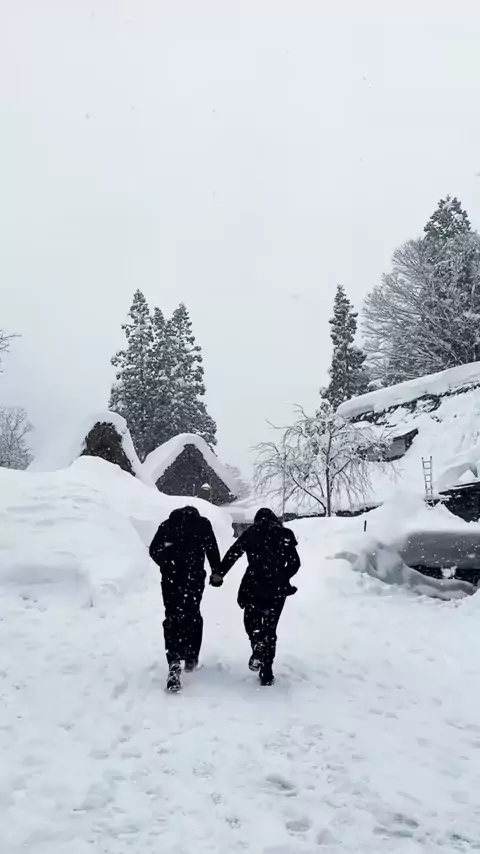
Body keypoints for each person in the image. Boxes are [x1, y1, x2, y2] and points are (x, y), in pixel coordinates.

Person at [210, 508, 300, 686]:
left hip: (253, 585)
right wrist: (282, 576)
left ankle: (257, 642)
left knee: (251, 621)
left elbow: (233, 554)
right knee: (270, 627)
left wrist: (219, 573)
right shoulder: (285, 534)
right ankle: (266, 670)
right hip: (276, 589)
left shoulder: (252, 532)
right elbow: (295, 563)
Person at [149, 506, 221, 692]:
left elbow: (153, 550)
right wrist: (216, 572)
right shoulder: (202, 524)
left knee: (172, 616)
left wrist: (167, 561)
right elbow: (212, 548)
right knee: (192, 614)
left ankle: (173, 658)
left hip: (171, 579)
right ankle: (191, 656)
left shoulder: (167, 525)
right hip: (194, 578)